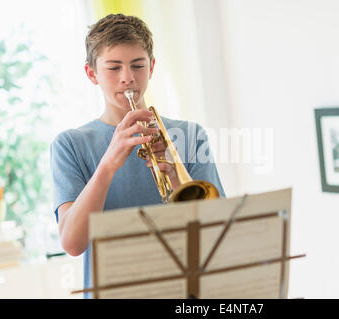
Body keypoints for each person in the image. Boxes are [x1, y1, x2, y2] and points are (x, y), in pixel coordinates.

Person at [50, 13, 225, 298]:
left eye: (138, 65)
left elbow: (215, 231)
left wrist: (173, 173)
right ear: (91, 73)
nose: (128, 78)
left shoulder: (191, 135)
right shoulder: (70, 144)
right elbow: (72, 243)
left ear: (152, 67)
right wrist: (108, 163)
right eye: (113, 68)